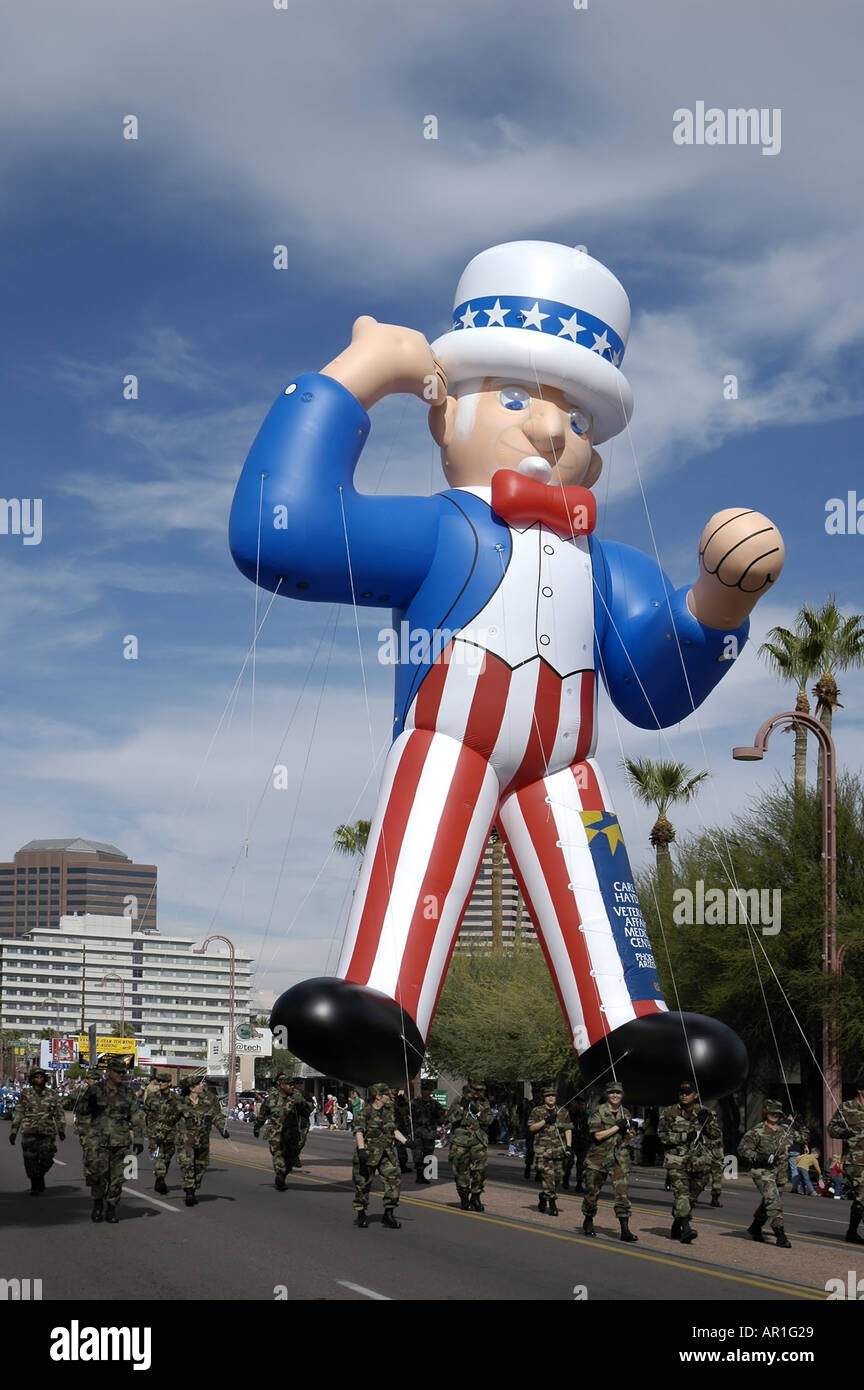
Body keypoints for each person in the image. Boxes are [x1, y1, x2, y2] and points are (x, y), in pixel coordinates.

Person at [240, 241, 783, 1092]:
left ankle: (622, 1023)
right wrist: (356, 375)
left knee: (591, 863)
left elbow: (650, 693)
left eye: (574, 417)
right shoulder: (438, 531)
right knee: (425, 823)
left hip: (564, 764)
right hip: (447, 734)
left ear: (592, 452)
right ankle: (383, 997)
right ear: (443, 418)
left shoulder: (610, 567)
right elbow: (282, 531)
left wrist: (718, 602)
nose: (547, 428)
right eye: (520, 398)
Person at [80, 1059, 144, 1223]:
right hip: (97, 1142)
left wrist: (138, 1138)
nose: (121, 1075)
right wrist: (84, 1137)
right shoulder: (94, 1090)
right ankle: (97, 1205)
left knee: (118, 1178)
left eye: (123, 1072)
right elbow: (82, 1112)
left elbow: (135, 1117)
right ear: (108, 1072)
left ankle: (112, 1209)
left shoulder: (128, 1093)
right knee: (98, 1177)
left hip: (121, 1142)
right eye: (117, 1071)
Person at [658, 1080, 722, 1243]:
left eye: (687, 1092)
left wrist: (705, 1124)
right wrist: (686, 1136)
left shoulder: (707, 1113)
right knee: (682, 1193)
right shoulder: (669, 1112)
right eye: (681, 1092)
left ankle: (677, 1223)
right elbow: (663, 1136)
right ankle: (686, 1229)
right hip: (676, 1160)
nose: (684, 1095)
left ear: (696, 1095)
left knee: (693, 1196)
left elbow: (716, 1136)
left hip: (699, 1161)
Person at [738, 1100, 804, 1248]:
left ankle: (755, 1227)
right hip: (762, 1171)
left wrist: (801, 1124)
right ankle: (780, 1234)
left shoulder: (785, 1131)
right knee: (774, 1202)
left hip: (780, 1173)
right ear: (765, 1113)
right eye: (771, 1112)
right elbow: (742, 1149)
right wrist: (758, 1157)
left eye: (777, 1113)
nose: (774, 1115)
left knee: (768, 1202)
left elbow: (803, 1139)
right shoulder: (757, 1131)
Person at [582, 1081, 637, 1242]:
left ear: (622, 1095)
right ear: (607, 1094)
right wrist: (617, 1127)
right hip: (598, 1159)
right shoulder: (598, 1112)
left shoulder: (625, 1112)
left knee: (622, 1195)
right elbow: (597, 1135)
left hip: (620, 1158)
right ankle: (588, 1219)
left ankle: (625, 1229)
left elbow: (629, 1136)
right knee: (592, 1193)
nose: (615, 1095)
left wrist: (629, 1132)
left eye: (618, 1093)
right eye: (612, 1092)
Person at [353, 1083, 407, 1228]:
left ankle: (388, 1214)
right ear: (378, 1096)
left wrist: (406, 1142)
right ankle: (361, 1214)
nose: (390, 1096)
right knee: (363, 1185)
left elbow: (393, 1130)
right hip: (368, 1154)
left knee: (393, 1181)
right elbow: (359, 1131)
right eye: (386, 1094)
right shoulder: (365, 1112)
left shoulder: (387, 1111)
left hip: (387, 1154)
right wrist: (361, 1149)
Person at [9, 1066, 65, 1195]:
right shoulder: (26, 1094)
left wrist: (61, 1130)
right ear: (32, 1079)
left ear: (45, 1079)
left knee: (47, 1159)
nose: (39, 1079)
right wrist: (13, 1131)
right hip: (29, 1132)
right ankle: (35, 1185)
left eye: (41, 1077)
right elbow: (19, 1112)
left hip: (47, 1133)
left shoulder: (52, 1095)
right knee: (30, 1161)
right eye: (36, 1077)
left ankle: (39, 1177)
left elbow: (59, 1114)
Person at [174, 1074, 229, 1207]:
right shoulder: (180, 1102)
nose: (202, 1085)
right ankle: (189, 1191)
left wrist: (223, 1129)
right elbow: (169, 1119)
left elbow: (217, 1116)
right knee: (187, 1165)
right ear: (192, 1088)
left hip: (202, 1141)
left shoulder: (209, 1100)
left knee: (200, 1166)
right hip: (185, 1141)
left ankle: (193, 1187)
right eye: (199, 1084)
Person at [445, 1081, 492, 1212]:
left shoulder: (484, 1102)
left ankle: (476, 1196)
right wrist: (462, 1107)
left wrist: (480, 1113)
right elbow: (450, 1119)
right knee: (461, 1171)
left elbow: (489, 1120)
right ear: (470, 1088)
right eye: (475, 1090)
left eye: (480, 1090)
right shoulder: (459, 1099)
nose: (477, 1093)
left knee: (480, 1171)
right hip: (461, 1141)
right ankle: (464, 1196)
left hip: (478, 1140)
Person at [253, 1073, 306, 1191]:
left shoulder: (296, 1096)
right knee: (278, 1154)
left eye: (293, 1085)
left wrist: (302, 1104)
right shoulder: (271, 1099)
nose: (292, 1087)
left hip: (292, 1134)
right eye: (290, 1084)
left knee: (291, 1158)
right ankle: (279, 1175)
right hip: (275, 1133)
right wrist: (256, 1128)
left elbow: (306, 1111)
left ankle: (282, 1175)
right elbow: (262, 1115)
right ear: (282, 1085)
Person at [828, 1075, 864, 1244]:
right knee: (863, 1196)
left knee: (860, 1201)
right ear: (860, 1090)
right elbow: (831, 1129)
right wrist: (844, 1133)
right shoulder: (847, 1107)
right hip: (855, 1162)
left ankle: (851, 1232)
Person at [528, 1085, 572, 1217]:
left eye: (552, 1095)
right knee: (548, 1177)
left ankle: (544, 1195)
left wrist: (569, 1146)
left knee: (558, 1177)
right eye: (548, 1096)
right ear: (544, 1098)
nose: (551, 1098)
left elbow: (568, 1129)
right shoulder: (537, 1111)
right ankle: (552, 1204)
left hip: (559, 1149)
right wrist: (545, 1120)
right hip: (543, 1150)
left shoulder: (563, 1111)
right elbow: (531, 1128)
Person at [144, 1071, 179, 1195]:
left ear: (169, 1083)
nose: (160, 1083)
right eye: (159, 1081)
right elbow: (145, 1112)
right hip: (154, 1133)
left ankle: (161, 1176)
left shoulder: (176, 1099)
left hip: (170, 1133)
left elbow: (179, 1116)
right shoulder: (152, 1097)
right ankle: (159, 1178)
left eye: (163, 1081)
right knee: (158, 1156)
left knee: (167, 1158)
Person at [410, 1079, 444, 1184]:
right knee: (417, 1154)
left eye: (426, 1089)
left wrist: (437, 1116)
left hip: (429, 1134)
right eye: (423, 1089)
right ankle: (419, 1175)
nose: (424, 1091)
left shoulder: (436, 1105)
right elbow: (405, 1114)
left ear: (431, 1091)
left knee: (428, 1155)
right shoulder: (414, 1103)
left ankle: (425, 1175)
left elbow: (442, 1120)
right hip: (418, 1133)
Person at [73, 1068, 102, 1190]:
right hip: (85, 1128)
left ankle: (97, 1174)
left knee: (99, 1154)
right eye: (92, 1079)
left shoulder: (103, 1092)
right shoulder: (82, 1092)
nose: (94, 1081)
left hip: (99, 1128)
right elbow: (69, 1101)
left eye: (97, 1079)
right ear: (87, 1080)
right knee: (89, 1153)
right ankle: (89, 1174)